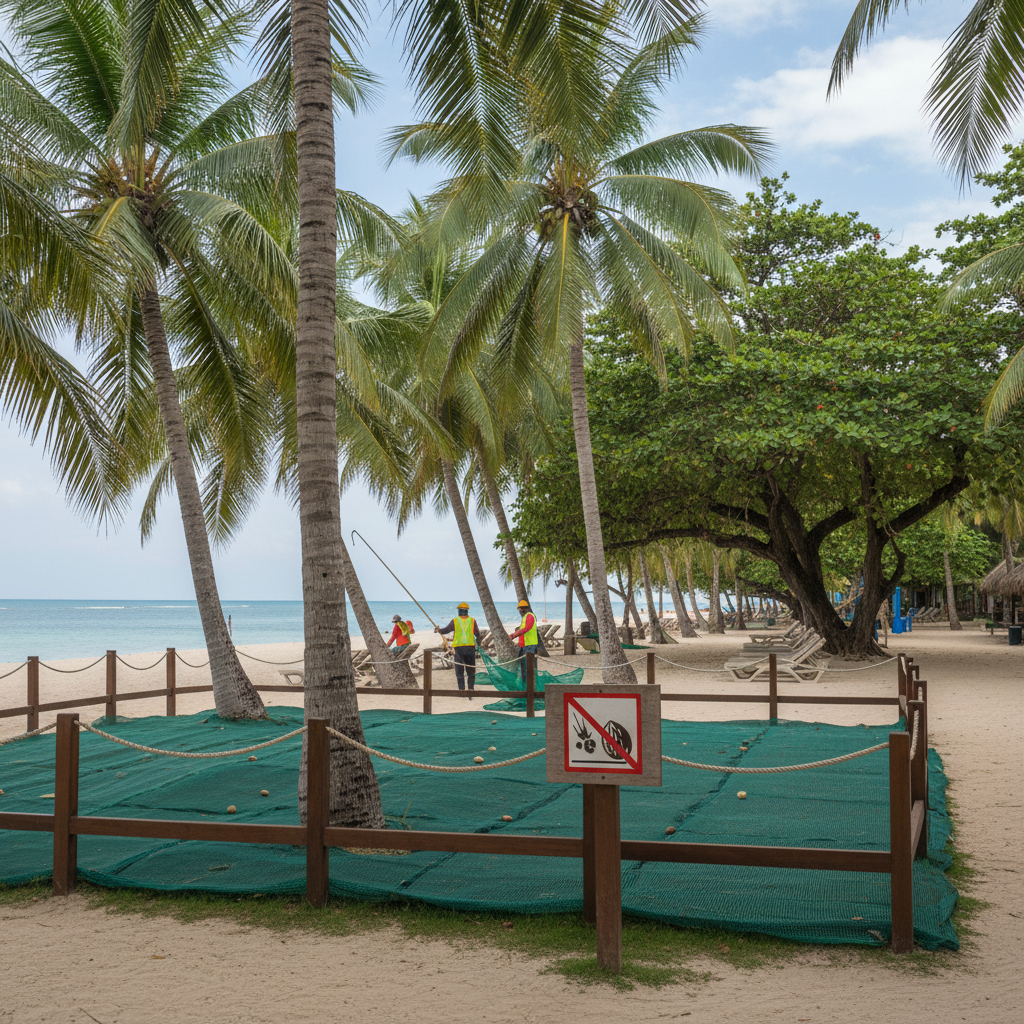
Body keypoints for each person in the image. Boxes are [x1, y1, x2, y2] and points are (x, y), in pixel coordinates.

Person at [435, 602, 480, 697]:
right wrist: (479, 644)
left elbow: (446, 630)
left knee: (459, 670)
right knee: (470, 669)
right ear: (467, 611)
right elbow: (477, 634)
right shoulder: (472, 620)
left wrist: (439, 630)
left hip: (459, 648)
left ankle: (461, 690)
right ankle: (471, 689)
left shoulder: (455, 621)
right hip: (470, 647)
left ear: (459, 611)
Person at [509, 599, 539, 683]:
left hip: (529, 645)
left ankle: (529, 685)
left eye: (521, 609)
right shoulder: (524, 617)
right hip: (523, 645)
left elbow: (526, 628)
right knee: (523, 667)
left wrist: (514, 635)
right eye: (519, 609)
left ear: (525, 609)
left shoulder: (529, 616)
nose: (520, 610)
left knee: (528, 667)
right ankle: (525, 684)